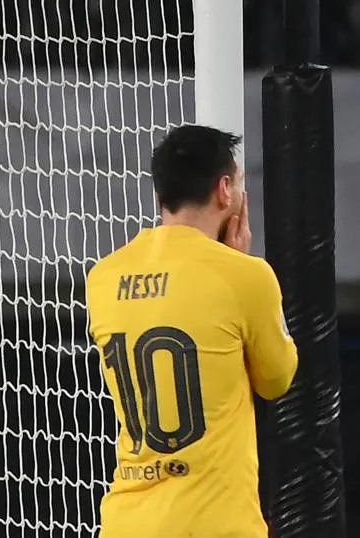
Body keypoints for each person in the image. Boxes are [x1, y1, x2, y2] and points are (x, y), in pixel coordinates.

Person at [86, 125, 298, 537]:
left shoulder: (103, 278)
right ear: (224, 190)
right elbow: (276, 380)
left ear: (161, 195)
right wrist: (239, 266)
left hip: (127, 522)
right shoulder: (246, 277)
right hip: (213, 524)